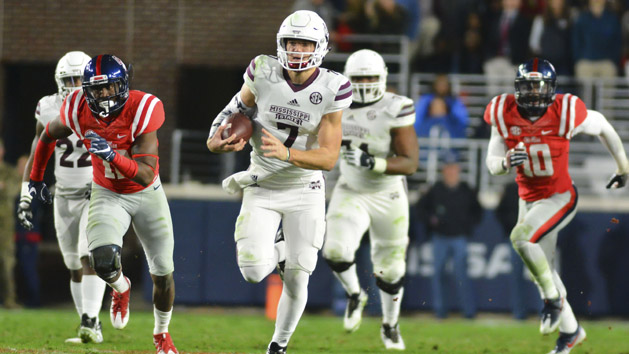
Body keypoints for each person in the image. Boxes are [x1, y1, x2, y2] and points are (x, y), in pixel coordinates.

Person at [206, 10, 352, 354]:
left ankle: (278, 345)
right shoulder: (262, 70)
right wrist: (215, 139)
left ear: (320, 47)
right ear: (280, 44)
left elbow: (329, 158)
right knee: (254, 271)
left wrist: (288, 156)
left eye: (305, 42)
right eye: (292, 42)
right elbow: (234, 110)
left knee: (299, 274)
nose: (298, 49)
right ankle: (285, 250)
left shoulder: (333, 87)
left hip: (305, 187)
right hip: (262, 183)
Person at [27, 54, 178, 354]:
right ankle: (121, 287)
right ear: (86, 90)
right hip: (107, 192)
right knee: (102, 261)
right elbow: (47, 135)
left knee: (163, 273)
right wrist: (35, 178)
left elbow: (145, 173)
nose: (103, 96)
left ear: (122, 85)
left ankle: (161, 334)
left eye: (110, 88)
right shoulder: (76, 107)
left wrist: (112, 155)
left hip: (146, 192)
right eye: (96, 90)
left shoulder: (144, 107)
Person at [484, 57, 629, 354]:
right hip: (528, 198)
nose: (534, 93)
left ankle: (552, 301)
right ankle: (570, 332)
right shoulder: (503, 112)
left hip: (559, 196)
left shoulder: (564, 111)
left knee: (520, 237)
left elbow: (601, 124)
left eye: (540, 87)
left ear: (551, 89)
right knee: (542, 272)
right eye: (528, 87)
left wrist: (624, 166)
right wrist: (504, 162)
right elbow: (491, 164)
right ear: (517, 88)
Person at [321, 49, 418, 350]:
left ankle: (390, 325)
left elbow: (410, 162)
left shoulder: (395, 106)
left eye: (370, 77)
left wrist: (374, 163)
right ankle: (354, 294)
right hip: (351, 188)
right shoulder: (335, 104)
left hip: (387, 193)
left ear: (383, 78)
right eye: (358, 77)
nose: (364, 83)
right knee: (335, 250)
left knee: (390, 268)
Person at [16, 51, 108, 344]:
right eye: (68, 79)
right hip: (63, 194)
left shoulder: (103, 107)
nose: (73, 84)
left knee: (88, 255)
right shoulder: (46, 107)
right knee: (72, 263)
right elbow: (36, 151)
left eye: (79, 78)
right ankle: (88, 327)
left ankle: (91, 321)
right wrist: (26, 193)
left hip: (94, 191)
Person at [417, 155, 481, 319]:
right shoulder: (436, 189)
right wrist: (431, 222)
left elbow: (478, 212)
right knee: (438, 275)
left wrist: (468, 227)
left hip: (459, 237)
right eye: (448, 168)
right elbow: (420, 208)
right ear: (443, 170)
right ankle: (440, 311)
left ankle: (468, 311)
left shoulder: (466, 189)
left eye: (453, 167)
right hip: (440, 237)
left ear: (458, 169)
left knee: (462, 275)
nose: (451, 171)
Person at [495, 181, 527, 320]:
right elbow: (500, 211)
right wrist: (511, 227)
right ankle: (519, 313)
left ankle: (546, 313)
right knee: (516, 277)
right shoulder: (510, 188)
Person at [414, 74, 469, 139]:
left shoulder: (454, 102)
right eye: (439, 84)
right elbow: (417, 121)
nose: (442, 87)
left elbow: (462, 122)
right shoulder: (426, 100)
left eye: (444, 85)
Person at [0, 139, 21, 309]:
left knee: (7, 262)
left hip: (5, 225)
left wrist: (4, 187)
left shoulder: (9, 171)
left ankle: (9, 300)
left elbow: (14, 191)